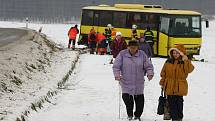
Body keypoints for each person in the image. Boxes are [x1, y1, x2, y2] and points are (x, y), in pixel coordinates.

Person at [113, 40, 154, 121]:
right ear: (128, 47)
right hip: (125, 81)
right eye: (131, 48)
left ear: (137, 48)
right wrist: (117, 75)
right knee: (127, 100)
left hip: (138, 81)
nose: (132, 49)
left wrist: (150, 73)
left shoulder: (142, 54)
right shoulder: (122, 54)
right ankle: (130, 114)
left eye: (134, 48)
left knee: (139, 102)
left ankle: (137, 115)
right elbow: (116, 66)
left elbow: (148, 66)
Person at [159, 44, 194, 121]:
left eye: (177, 53)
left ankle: (179, 118)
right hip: (169, 86)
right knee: (172, 104)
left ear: (181, 53)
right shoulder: (168, 61)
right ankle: (175, 119)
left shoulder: (184, 62)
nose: (175, 54)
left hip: (180, 87)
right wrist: (162, 82)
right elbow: (163, 73)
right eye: (174, 53)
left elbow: (190, 70)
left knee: (179, 104)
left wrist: (186, 59)